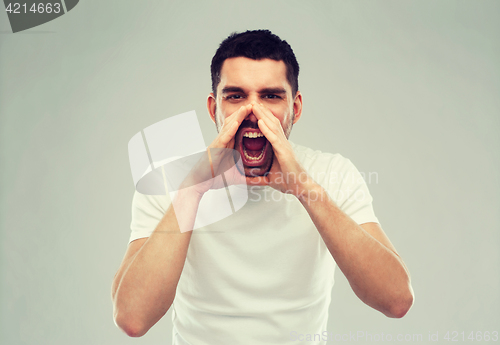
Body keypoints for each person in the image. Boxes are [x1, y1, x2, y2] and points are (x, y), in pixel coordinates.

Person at [111, 29, 414, 345]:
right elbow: (133, 318)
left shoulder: (332, 173)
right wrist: (192, 190)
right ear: (213, 107)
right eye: (236, 96)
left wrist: (304, 188)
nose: (253, 113)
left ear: (295, 108)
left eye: (270, 96)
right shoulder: (167, 180)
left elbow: (395, 299)